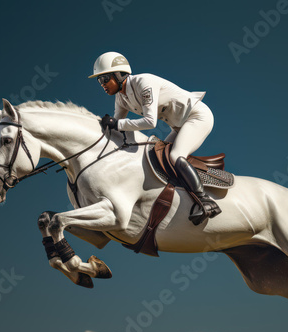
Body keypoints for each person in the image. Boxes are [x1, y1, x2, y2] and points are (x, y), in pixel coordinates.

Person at [89, 52, 221, 225]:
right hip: (179, 126)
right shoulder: (121, 98)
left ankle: (206, 201)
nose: (102, 84)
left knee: (175, 156)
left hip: (197, 117)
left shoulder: (143, 82)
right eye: (99, 81)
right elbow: (117, 126)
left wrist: (117, 124)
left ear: (119, 74)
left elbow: (149, 122)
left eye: (104, 79)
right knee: (156, 157)